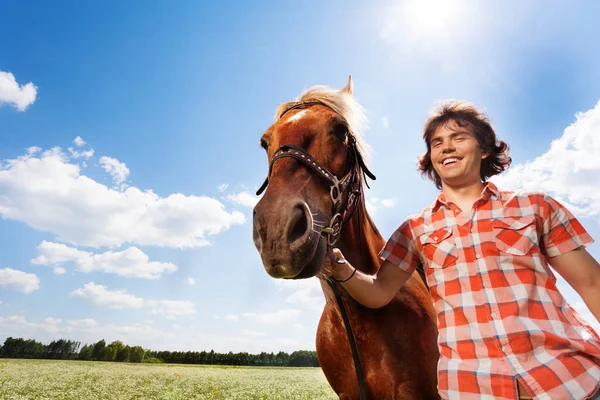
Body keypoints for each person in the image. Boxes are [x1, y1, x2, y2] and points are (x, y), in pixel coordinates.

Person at [328, 100, 600, 400]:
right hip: (471, 388)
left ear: (484, 149)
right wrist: (341, 269)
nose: (447, 147)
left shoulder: (535, 206)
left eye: (458, 137)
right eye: (437, 143)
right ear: (431, 158)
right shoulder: (414, 229)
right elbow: (379, 292)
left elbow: (592, 284)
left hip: (570, 380)